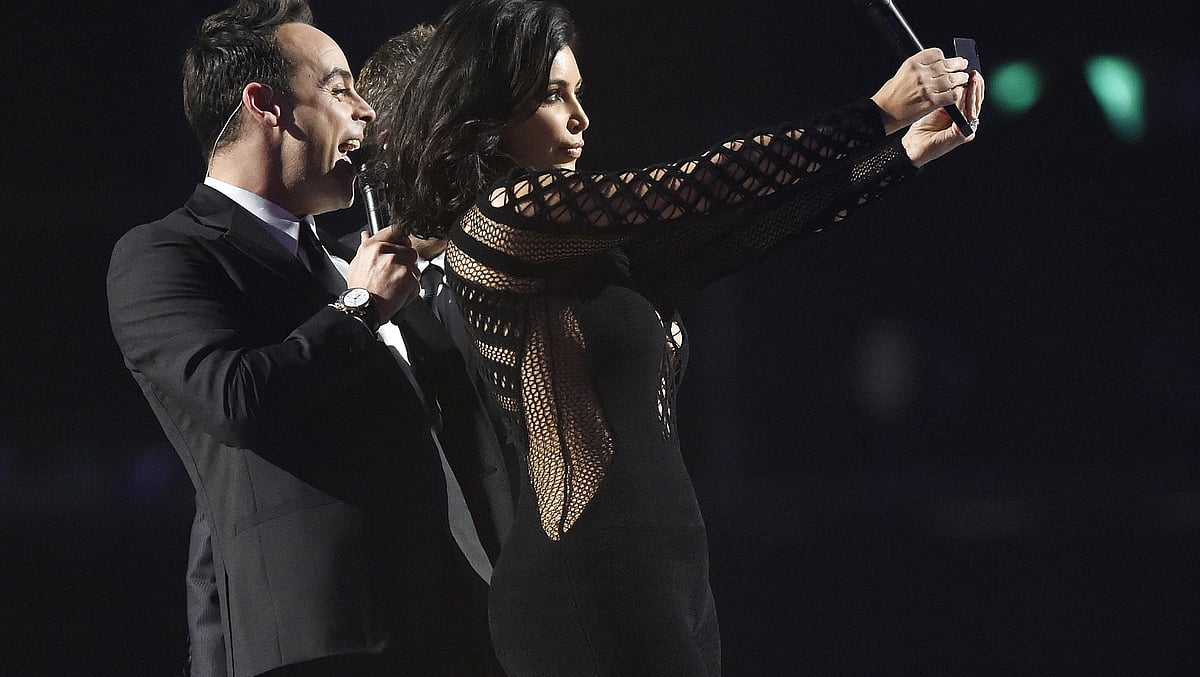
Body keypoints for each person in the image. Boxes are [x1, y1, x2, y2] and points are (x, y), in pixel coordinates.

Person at [381, 0, 986, 674]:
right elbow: (707, 183)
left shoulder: (590, 258)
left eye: (578, 93)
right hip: (587, 581)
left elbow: (755, 229)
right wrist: (876, 114)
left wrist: (906, 151)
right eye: (554, 95)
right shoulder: (502, 217)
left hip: (665, 577)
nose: (581, 118)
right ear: (490, 110)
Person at [108, 2, 505, 674]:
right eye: (339, 88)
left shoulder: (347, 260)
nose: (366, 111)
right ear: (265, 105)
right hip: (327, 637)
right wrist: (360, 308)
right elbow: (234, 399)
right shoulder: (166, 253)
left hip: (451, 626)